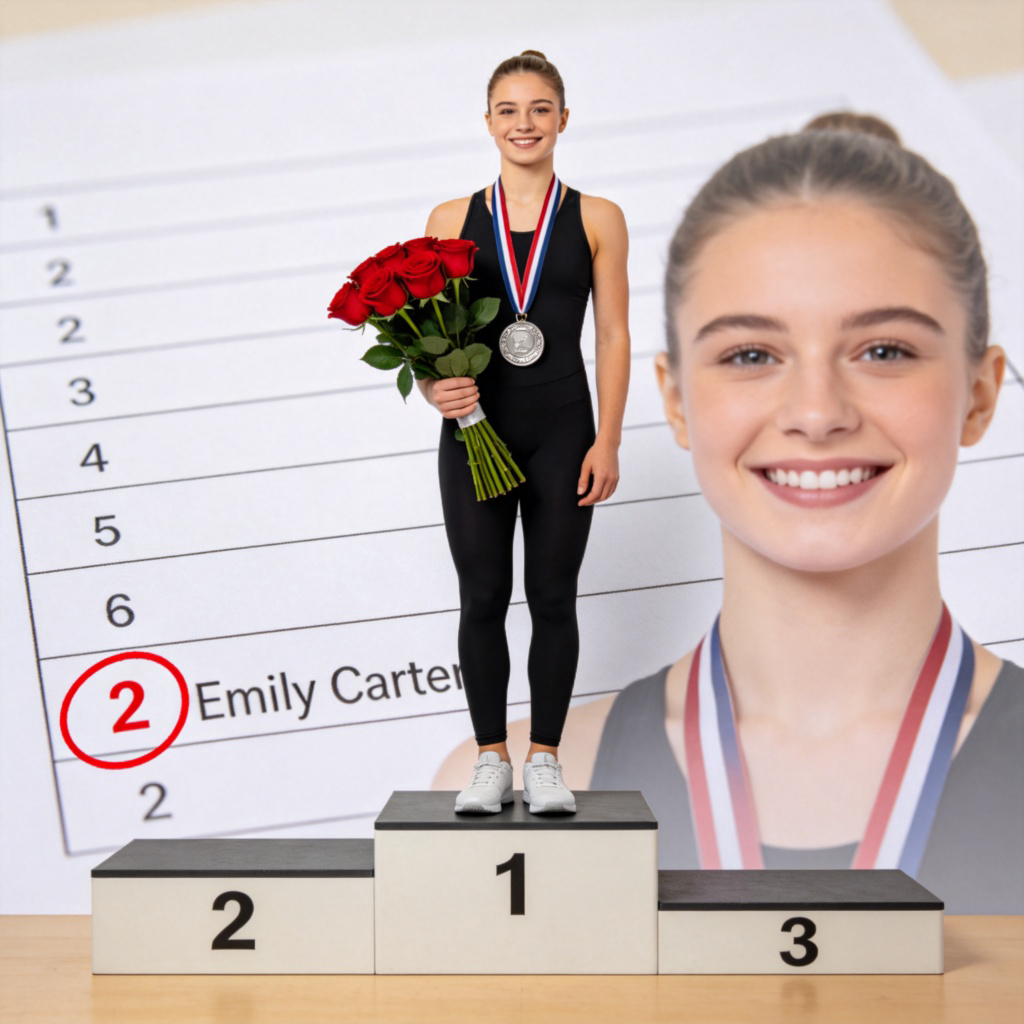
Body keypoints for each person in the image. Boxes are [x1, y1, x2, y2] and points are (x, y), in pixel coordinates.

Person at [478, 112, 1020, 913]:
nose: (816, 412)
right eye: (752, 355)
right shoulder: (508, 799)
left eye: (884, 351)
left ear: (979, 395)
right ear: (676, 400)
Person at [422, 51, 630, 813]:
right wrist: (432, 387)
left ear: (563, 119)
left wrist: (606, 440)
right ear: (487, 123)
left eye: (540, 109)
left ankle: (544, 758)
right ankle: (489, 758)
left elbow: (612, 335)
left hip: (563, 430)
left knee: (552, 596)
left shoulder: (598, 217)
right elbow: (429, 334)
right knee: (481, 596)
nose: (524, 124)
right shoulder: (451, 220)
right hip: (477, 429)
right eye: (509, 110)